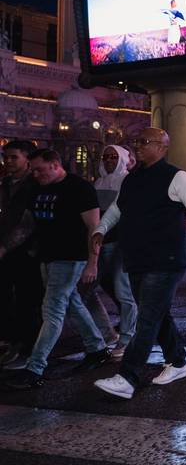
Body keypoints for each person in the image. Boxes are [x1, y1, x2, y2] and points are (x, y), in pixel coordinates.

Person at [91, 128, 186, 399]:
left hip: (166, 259)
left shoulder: (178, 177)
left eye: (144, 142)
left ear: (162, 146)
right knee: (158, 313)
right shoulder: (132, 179)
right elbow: (118, 209)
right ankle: (178, 362)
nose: (138, 146)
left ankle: (127, 376)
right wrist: (100, 228)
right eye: (136, 142)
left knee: (147, 318)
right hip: (137, 258)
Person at [3, 149, 107, 390]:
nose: (35, 173)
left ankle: (35, 368)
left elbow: (95, 228)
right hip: (47, 257)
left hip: (72, 258)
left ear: (56, 164)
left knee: (52, 310)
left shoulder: (79, 188)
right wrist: (5, 247)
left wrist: (93, 262)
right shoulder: (38, 188)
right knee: (71, 303)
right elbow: (28, 224)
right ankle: (97, 348)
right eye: (33, 169)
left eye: (40, 169)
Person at [82, 145, 138, 360]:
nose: (109, 160)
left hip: (121, 243)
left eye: (114, 156)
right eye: (105, 157)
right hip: (101, 243)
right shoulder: (99, 182)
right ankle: (107, 333)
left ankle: (127, 338)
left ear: (123, 158)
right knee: (85, 291)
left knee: (124, 292)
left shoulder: (128, 180)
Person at [0, 141, 42, 371]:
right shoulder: (5, 183)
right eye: (6, 157)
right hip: (6, 249)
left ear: (27, 158)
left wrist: (5, 247)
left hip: (28, 251)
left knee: (28, 299)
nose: (8, 161)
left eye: (14, 157)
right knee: (4, 296)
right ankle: (10, 340)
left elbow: (28, 223)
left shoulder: (34, 185)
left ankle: (28, 347)